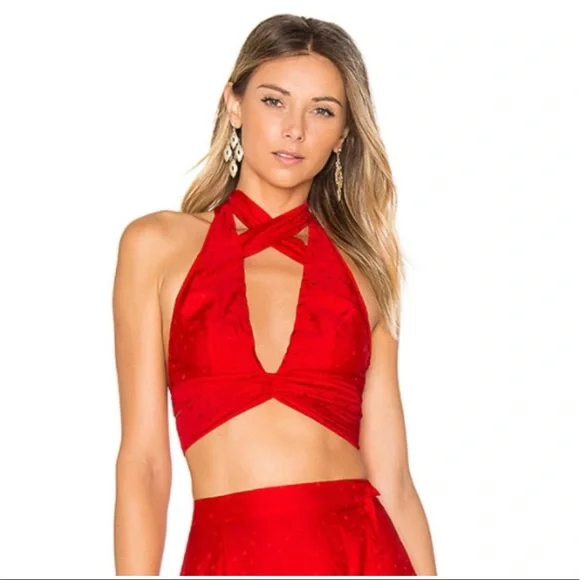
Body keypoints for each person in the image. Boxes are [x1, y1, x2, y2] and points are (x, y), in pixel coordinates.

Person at [112, 12, 437, 577]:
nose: (294, 129)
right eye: (273, 101)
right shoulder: (157, 246)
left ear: (344, 135)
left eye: (322, 111)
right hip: (227, 558)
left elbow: (394, 481)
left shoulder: (364, 271)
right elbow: (143, 462)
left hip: (361, 557)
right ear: (234, 104)